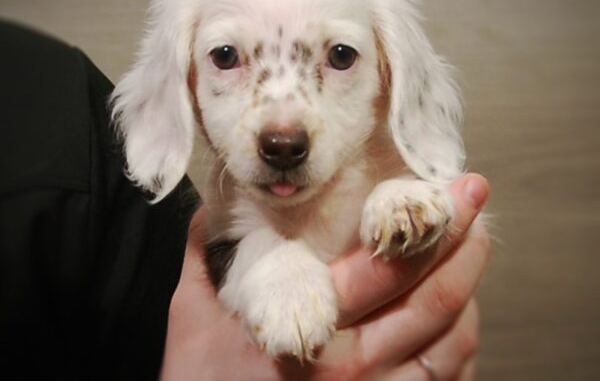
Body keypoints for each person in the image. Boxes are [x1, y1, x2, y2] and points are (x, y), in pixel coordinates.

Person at [0, 21, 490, 380]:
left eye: (340, 56)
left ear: (392, 72)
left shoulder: (54, 98)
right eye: (227, 57)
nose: (282, 132)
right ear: (182, 82)